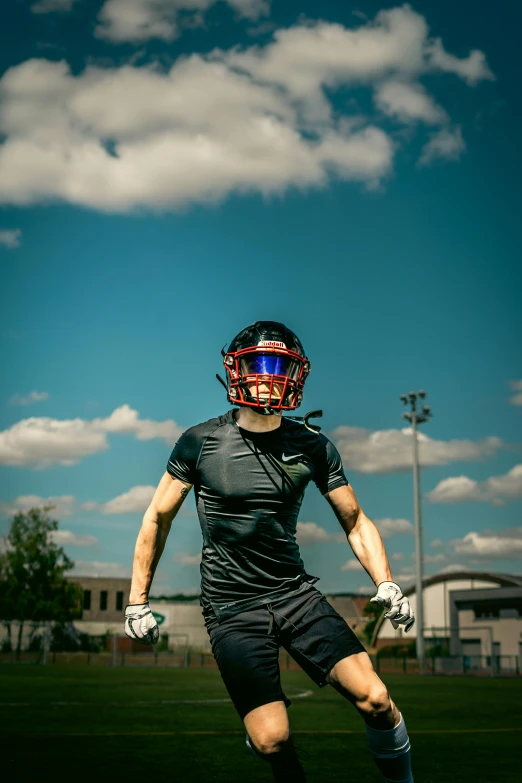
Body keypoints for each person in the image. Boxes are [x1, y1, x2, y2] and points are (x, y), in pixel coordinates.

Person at [124, 320, 415, 783]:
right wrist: (136, 600)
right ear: (236, 370)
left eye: (280, 365)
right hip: (232, 608)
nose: (270, 376)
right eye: (260, 364)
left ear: (297, 374)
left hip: (296, 595)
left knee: (378, 700)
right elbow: (157, 518)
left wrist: (386, 581)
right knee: (272, 740)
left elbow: (355, 520)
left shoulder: (314, 447)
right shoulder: (199, 442)